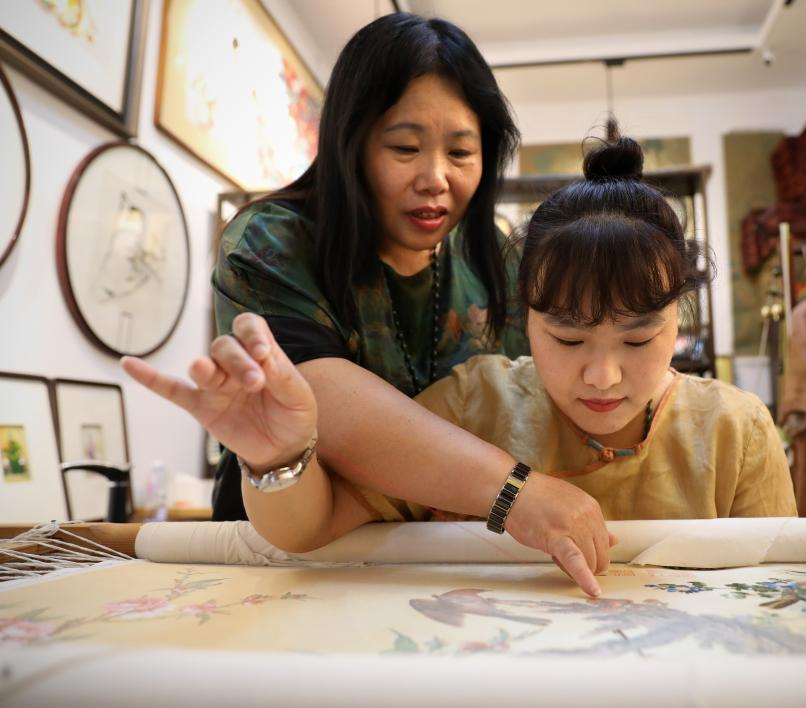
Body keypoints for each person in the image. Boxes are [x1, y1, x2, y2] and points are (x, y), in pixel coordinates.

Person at [123, 13, 613, 598]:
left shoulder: (494, 257)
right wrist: (515, 492)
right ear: (350, 143)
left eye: (461, 152)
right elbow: (320, 404)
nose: (435, 178)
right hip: (291, 550)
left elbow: (536, 394)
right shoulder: (275, 242)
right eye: (404, 147)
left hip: (453, 557)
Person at [343, 122, 798, 523]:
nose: (602, 377)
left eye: (638, 340)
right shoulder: (471, 408)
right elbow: (324, 518)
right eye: (568, 339)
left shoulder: (735, 433)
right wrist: (297, 443)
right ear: (526, 315)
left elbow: (777, 586)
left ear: (677, 316)